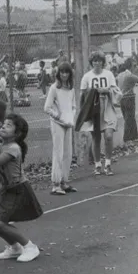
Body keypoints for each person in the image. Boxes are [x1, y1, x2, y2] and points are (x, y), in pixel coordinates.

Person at [0, 113, 42, 262]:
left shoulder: (13, 148)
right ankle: (15, 247)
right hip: (6, 190)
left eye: (9, 125)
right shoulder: (0, 146)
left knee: (0, 223)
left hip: (18, 189)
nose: (3, 126)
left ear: (17, 134)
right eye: (3, 124)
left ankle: (30, 246)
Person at [77, 51, 122, 176]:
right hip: (94, 109)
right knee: (96, 138)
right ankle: (97, 165)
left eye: (99, 60)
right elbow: (82, 95)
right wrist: (91, 94)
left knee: (108, 136)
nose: (97, 63)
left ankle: (107, 164)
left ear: (103, 62)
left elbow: (115, 90)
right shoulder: (86, 76)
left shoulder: (108, 74)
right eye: (95, 60)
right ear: (92, 62)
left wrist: (106, 90)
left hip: (107, 106)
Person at [44, 62, 77, 195]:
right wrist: (58, 117)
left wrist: (71, 118)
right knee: (59, 152)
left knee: (68, 153)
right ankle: (55, 184)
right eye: (62, 72)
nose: (64, 74)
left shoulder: (71, 88)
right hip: (57, 123)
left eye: (66, 72)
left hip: (68, 124)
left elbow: (74, 106)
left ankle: (64, 182)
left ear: (70, 74)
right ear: (58, 73)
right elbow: (47, 108)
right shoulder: (54, 88)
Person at [117, 59, 138, 143]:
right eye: (135, 66)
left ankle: (133, 137)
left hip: (121, 98)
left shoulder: (120, 75)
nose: (136, 67)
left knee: (128, 118)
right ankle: (127, 139)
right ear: (131, 66)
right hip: (129, 97)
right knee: (130, 118)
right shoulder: (130, 76)